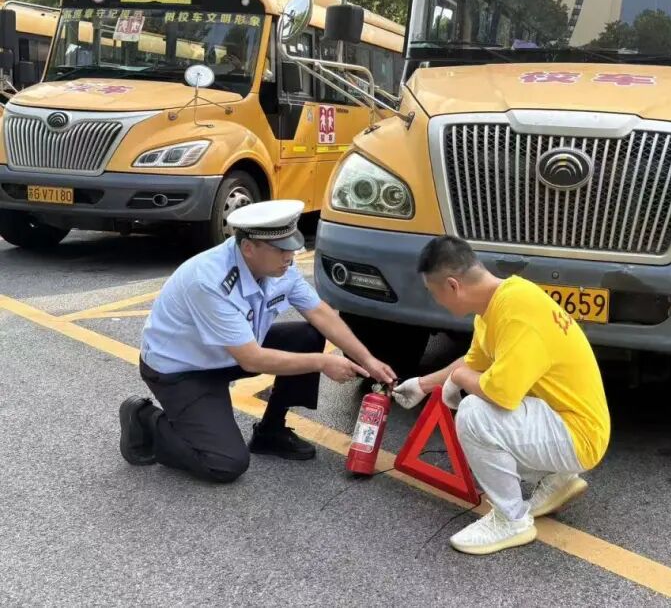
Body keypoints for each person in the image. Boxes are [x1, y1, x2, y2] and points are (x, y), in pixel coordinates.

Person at [119, 199, 396, 483]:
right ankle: (144, 419)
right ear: (249, 248)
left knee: (307, 335)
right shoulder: (208, 281)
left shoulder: (279, 268)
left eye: (291, 247)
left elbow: (320, 313)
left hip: (230, 352)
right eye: (281, 249)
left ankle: (271, 432)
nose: (290, 256)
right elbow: (251, 359)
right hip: (183, 371)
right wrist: (323, 362)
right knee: (225, 463)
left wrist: (367, 359)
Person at [392, 236, 610, 555]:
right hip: (567, 422)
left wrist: (459, 379)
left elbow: (501, 394)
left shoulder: (516, 311)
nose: (436, 301)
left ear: (452, 286)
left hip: (579, 436)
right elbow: (472, 363)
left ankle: (511, 520)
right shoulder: (497, 305)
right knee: (479, 406)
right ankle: (558, 478)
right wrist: (422, 385)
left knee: (475, 414)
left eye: (434, 292)